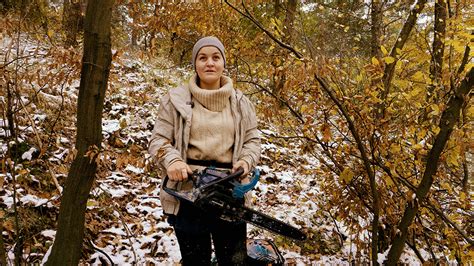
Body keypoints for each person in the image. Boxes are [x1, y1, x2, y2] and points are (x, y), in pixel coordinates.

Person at [148, 36, 261, 265]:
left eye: (215, 57)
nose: (209, 63)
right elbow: (158, 140)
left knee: (233, 260)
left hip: (230, 190)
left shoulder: (241, 103)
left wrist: (245, 162)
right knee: (195, 260)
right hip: (190, 190)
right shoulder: (175, 100)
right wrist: (173, 162)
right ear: (195, 64)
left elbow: (252, 140)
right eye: (203, 58)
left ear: (223, 63)